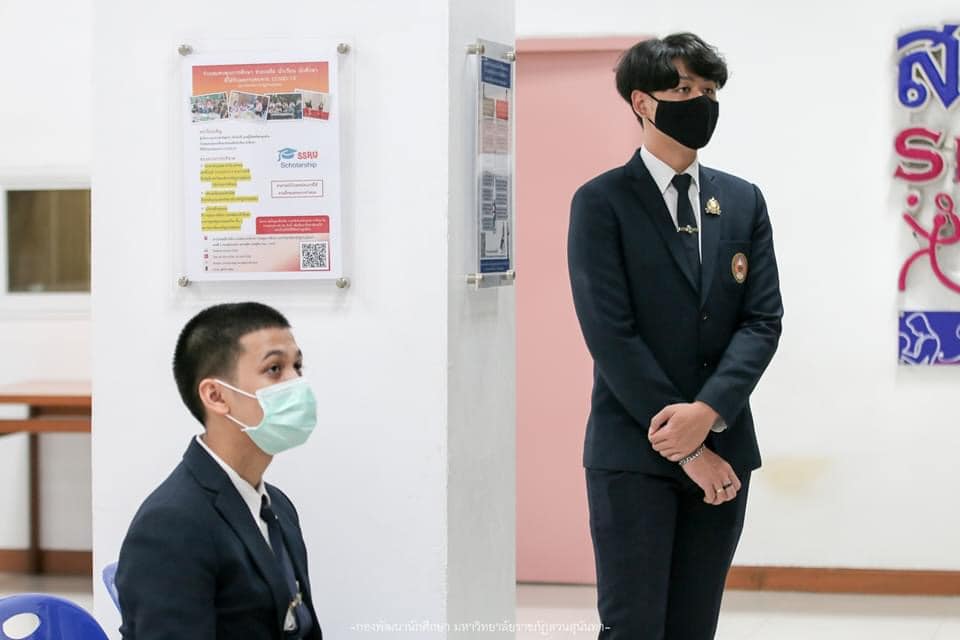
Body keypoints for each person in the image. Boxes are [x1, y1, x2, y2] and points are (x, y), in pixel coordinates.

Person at [567, 33, 783, 639]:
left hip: (725, 451)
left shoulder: (741, 200)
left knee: (694, 625)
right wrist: (686, 446)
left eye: (709, 90)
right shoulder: (602, 202)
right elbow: (611, 333)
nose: (700, 101)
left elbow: (762, 320)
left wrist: (708, 413)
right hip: (633, 453)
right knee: (634, 626)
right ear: (642, 102)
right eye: (683, 89)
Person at [116, 302, 323, 639]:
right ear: (216, 395)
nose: (296, 382)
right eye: (274, 369)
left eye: (297, 366)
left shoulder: (278, 508)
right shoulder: (171, 525)